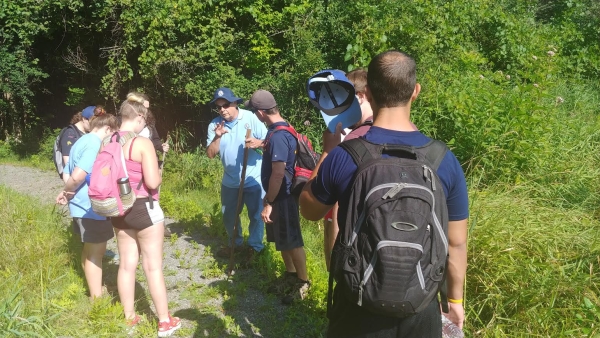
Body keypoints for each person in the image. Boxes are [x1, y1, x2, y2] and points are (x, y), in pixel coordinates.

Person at [299, 50, 469, 337]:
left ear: (368, 94)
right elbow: (457, 243)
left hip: (357, 307)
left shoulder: (346, 156)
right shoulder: (444, 161)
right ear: (415, 92)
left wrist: (327, 152)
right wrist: (455, 301)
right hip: (421, 308)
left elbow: (309, 210)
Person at [110, 97, 180, 337]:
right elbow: (152, 181)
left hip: (118, 209)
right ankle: (164, 321)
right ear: (139, 118)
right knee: (153, 267)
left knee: (127, 265)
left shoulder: (108, 141)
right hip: (143, 206)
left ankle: (129, 319)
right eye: (144, 121)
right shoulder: (141, 143)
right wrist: (158, 174)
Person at [246, 89, 310, 305]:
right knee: (281, 239)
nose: (255, 116)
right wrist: (262, 144)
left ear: (261, 113)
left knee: (292, 240)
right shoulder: (278, 131)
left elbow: (279, 173)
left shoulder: (280, 135)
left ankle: (303, 283)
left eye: (255, 112)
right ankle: (290, 276)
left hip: (283, 196)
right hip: (276, 196)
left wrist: (269, 202)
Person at [55, 111, 118, 300]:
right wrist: (68, 191)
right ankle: (96, 298)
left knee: (89, 250)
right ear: (107, 129)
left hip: (81, 206)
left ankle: (93, 288)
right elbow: (78, 175)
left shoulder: (79, 142)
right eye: (112, 134)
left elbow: (67, 173)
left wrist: (68, 192)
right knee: (95, 254)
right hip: (91, 207)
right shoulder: (93, 143)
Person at [206, 87, 267, 259]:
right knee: (230, 216)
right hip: (230, 181)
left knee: (256, 215)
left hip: (253, 178)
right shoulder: (215, 124)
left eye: (225, 105)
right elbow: (210, 155)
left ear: (235, 103)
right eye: (218, 107)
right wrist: (217, 137)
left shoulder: (250, 118)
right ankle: (236, 244)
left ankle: (255, 248)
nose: (222, 110)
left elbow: (269, 140)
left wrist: (257, 143)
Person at [125, 92, 172, 238]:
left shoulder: (149, 125)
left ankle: (158, 223)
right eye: (145, 107)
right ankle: (151, 224)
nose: (147, 111)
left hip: (149, 163)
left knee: (152, 195)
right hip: (135, 170)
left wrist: (161, 147)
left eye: (148, 108)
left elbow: (155, 141)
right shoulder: (126, 127)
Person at [58, 106, 99, 183]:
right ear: (83, 119)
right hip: (76, 179)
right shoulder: (70, 134)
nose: (95, 126)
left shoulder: (87, 133)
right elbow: (68, 163)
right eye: (92, 122)